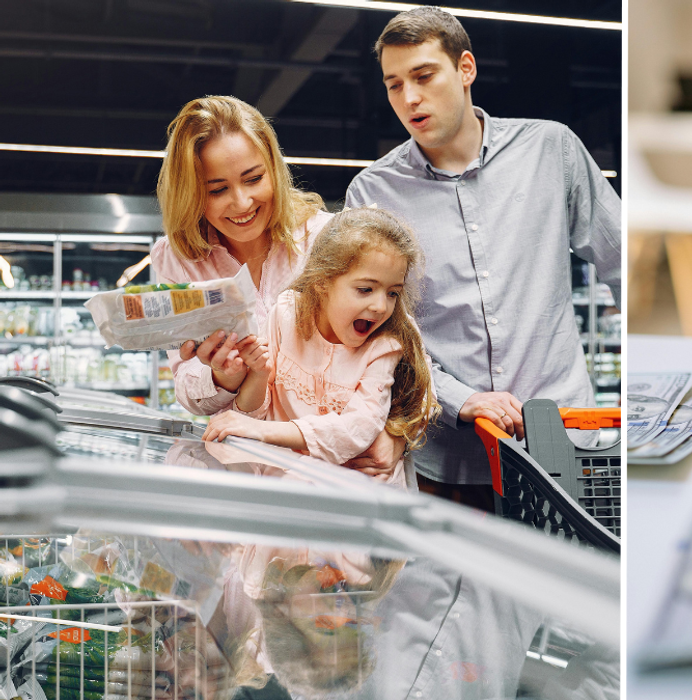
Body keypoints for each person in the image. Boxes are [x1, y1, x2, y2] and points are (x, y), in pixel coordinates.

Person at [345, 8, 621, 502]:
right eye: (393, 85)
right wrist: (460, 399)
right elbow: (369, 332)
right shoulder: (373, 193)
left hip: (562, 447)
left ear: (465, 68)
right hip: (445, 460)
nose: (409, 98)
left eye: (424, 76)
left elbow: (625, 262)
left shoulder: (550, 150)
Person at [153, 96, 404, 477]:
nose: (242, 202)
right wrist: (224, 377)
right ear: (190, 192)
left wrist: (396, 432)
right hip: (249, 478)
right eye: (217, 189)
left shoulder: (328, 239)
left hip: (346, 475)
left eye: (254, 179)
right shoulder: (176, 260)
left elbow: (407, 354)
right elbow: (188, 388)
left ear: (274, 168)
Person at [201, 208, 439, 486]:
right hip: (283, 494)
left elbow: (358, 428)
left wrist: (261, 430)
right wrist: (257, 374)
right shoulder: (287, 314)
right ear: (323, 281)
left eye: (393, 293)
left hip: (357, 499)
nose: (380, 306)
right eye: (365, 289)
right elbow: (252, 414)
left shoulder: (386, 343)